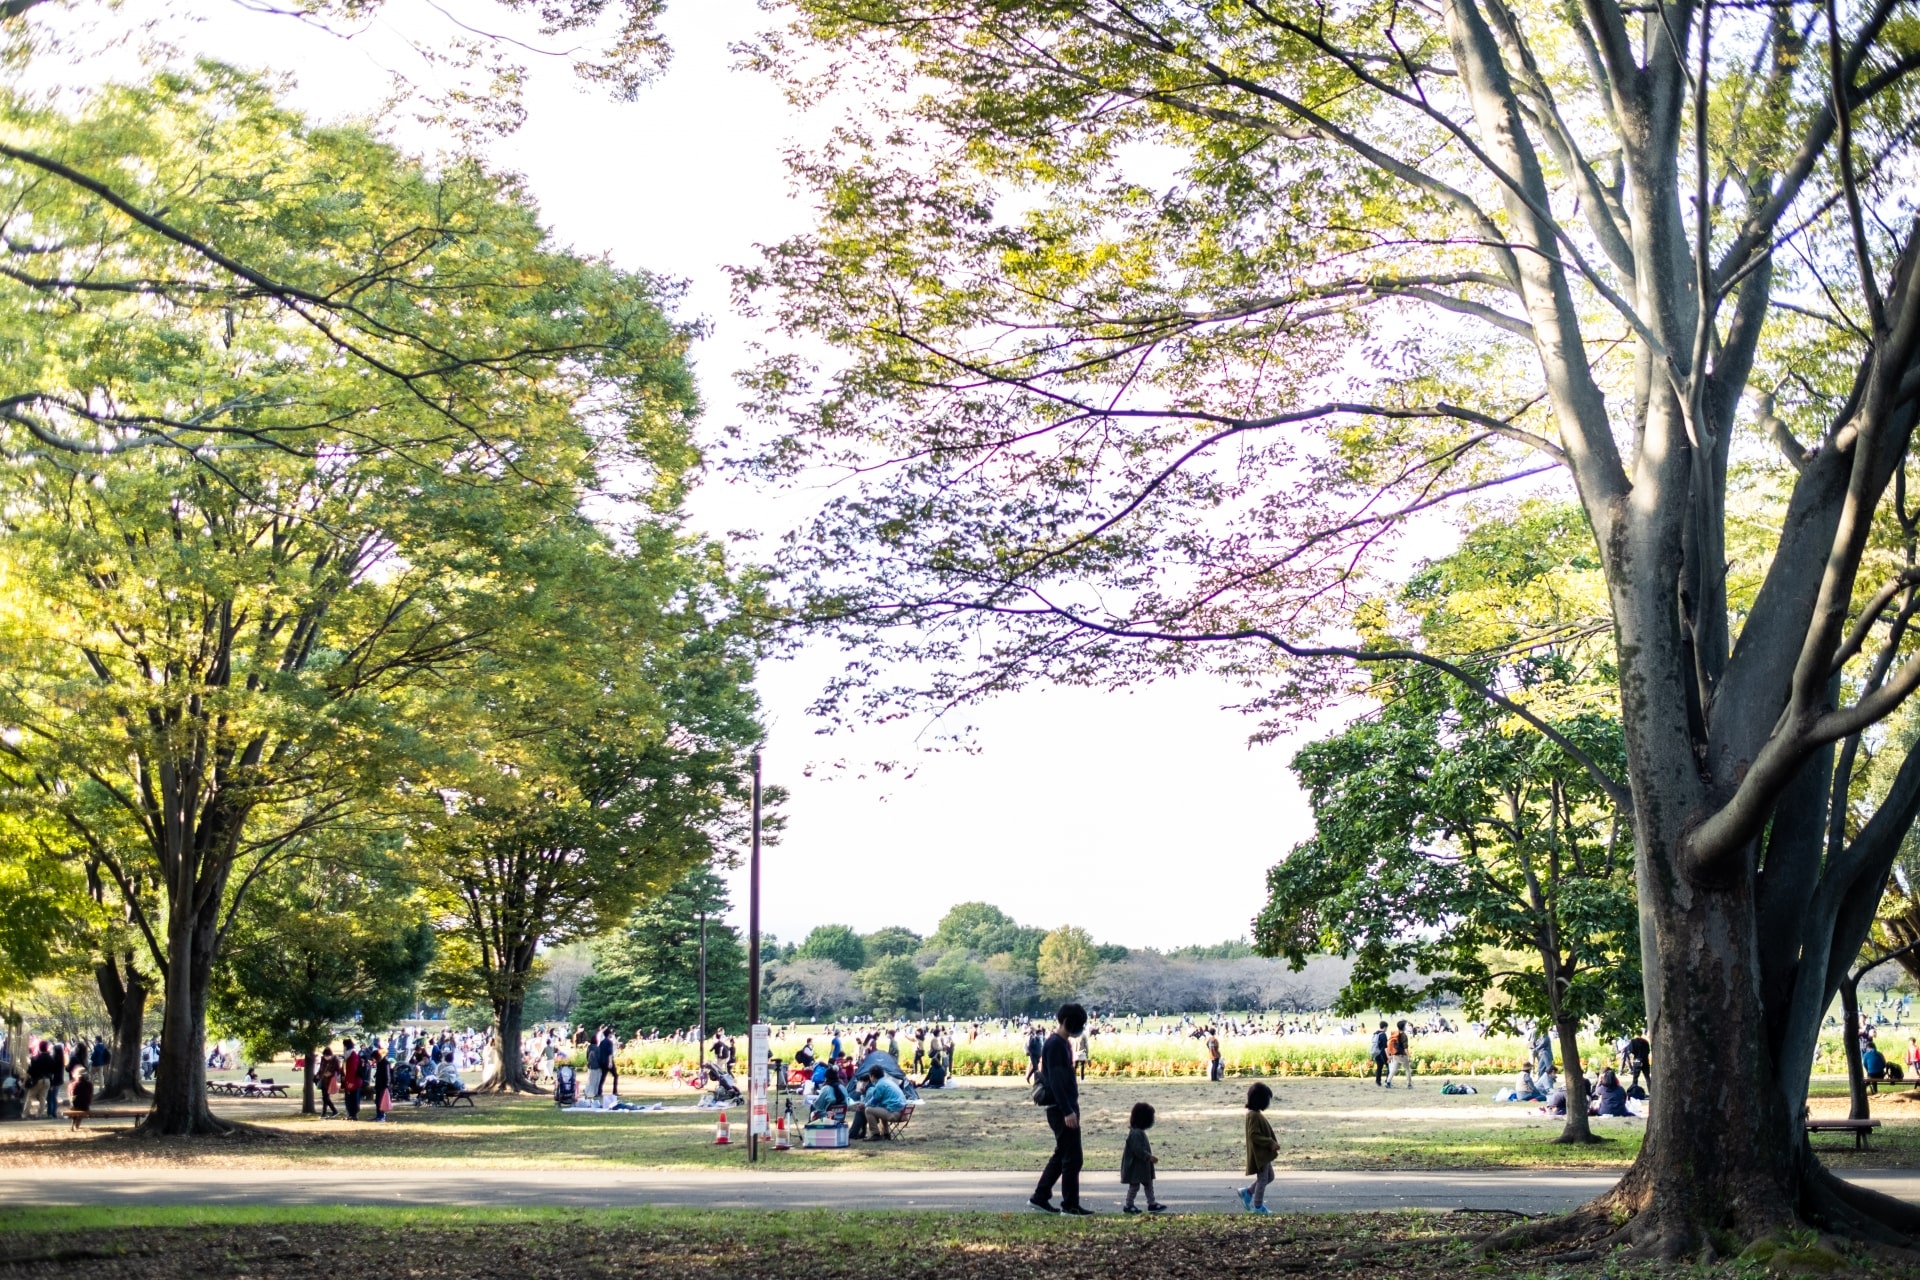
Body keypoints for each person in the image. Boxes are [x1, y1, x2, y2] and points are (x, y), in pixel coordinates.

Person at [1028, 1002, 1091, 1216]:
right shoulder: (1055, 1045)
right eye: (1079, 1023)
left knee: (1063, 1154)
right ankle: (1070, 1205)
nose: (1080, 1027)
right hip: (1060, 1108)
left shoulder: (1062, 1043)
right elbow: (1056, 1080)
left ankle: (1040, 1196)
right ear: (1067, 1022)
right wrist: (1067, 1111)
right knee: (1073, 1158)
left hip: (1066, 1106)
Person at [1237, 1082, 1279, 1215]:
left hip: (1264, 1154)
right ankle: (1258, 1207)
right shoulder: (1253, 1115)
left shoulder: (1255, 1114)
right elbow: (1253, 1135)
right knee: (1263, 1180)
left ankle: (1248, 1192)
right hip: (1260, 1154)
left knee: (1269, 1177)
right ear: (1260, 1100)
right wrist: (1269, 1142)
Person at [1121, 1102, 1166, 1214]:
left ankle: (1152, 1203)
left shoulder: (1139, 1132)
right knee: (1134, 1186)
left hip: (1142, 1166)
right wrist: (1149, 1157)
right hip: (1136, 1167)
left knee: (1148, 1184)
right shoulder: (1136, 1133)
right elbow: (1138, 1150)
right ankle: (1128, 1205)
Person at [855, 1066, 908, 1139]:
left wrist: (864, 1105)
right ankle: (886, 1134)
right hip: (901, 1112)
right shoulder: (887, 1081)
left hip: (895, 1113)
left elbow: (873, 1102)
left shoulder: (880, 1085)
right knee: (881, 1108)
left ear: (872, 1076)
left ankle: (875, 1134)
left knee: (868, 1110)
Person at [1387, 1020, 1414, 1088]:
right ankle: (1409, 1084)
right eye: (1406, 1025)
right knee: (1407, 1069)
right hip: (1402, 1055)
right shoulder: (1404, 1035)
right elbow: (1405, 1048)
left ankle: (1388, 1082)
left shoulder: (1396, 1034)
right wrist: (1408, 1056)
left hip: (1395, 1054)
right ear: (1404, 1026)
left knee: (1394, 1069)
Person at [341, 1038, 363, 1121]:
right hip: (348, 1080)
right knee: (348, 1098)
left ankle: (353, 1115)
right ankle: (350, 1114)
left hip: (354, 1081)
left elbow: (352, 1069)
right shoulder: (348, 1055)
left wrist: (350, 1081)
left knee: (353, 1098)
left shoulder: (353, 1055)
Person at [317, 1047, 341, 1118]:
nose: (326, 1057)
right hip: (323, 1080)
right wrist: (318, 1075)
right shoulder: (323, 1059)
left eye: (327, 1056)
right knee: (325, 1097)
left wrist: (331, 1074)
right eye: (324, 1056)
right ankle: (329, 1112)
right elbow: (321, 1068)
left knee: (325, 1097)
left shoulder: (335, 1060)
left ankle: (328, 1112)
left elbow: (338, 1070)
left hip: (330, 1081)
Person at [371, 1047, 392, 1122]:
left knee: (381, 1101)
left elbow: (387, 1075)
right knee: (377, 1101)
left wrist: (386, 1085)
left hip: (383, 1085)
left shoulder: (385, 1063)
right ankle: (378, 1115)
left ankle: (382, 1116)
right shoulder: (379, 1063)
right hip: (379, 1084)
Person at [1369, 1021, 1389, 1087]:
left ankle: (1378, 1081)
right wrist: (1388, 1055)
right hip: (1382, 1053)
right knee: (1389, 1067)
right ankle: (1387, 1081)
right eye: (1386, 1027)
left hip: (1376, 1053)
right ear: (1385, 1027)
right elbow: (1385, 1046)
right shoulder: (1383, 1035)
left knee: (1379, 1067)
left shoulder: (1376, 1033)